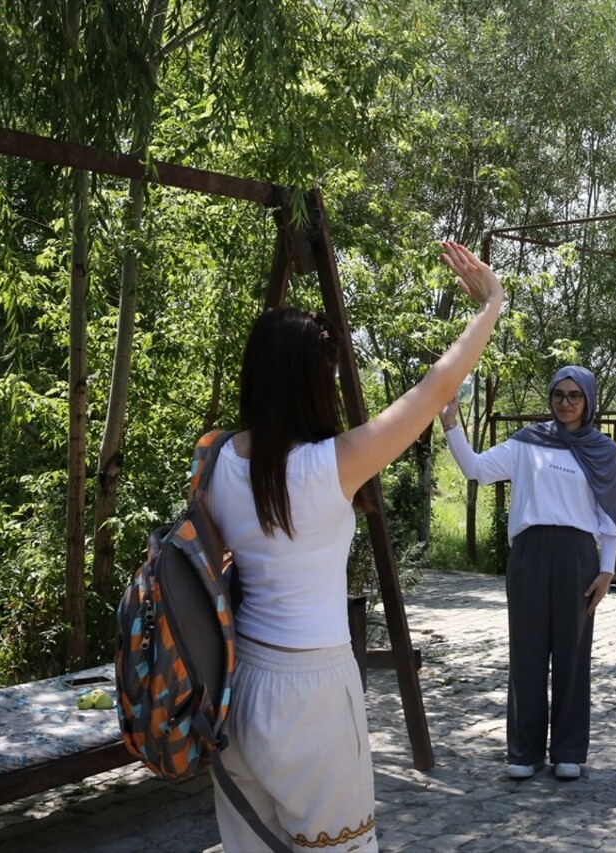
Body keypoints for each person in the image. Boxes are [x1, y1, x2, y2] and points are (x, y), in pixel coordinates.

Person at [205, 241, 503, 852]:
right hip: (312, 689)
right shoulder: (328, 467)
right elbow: (435, 387)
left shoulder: (212, 459)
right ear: (316, 383)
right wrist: (491, 303)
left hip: (237, 684)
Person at [438, 365, 616, 781]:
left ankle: (568, 750)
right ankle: (524, 751)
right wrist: (450, 424)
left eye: (575, 395)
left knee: (573, 656)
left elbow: (609, 516)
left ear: (589, 399)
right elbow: (476, 470)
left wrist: (607, 572)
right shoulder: (527, 443)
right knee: (527, 652)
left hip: (578, 556)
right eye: (559, 394)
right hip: (529, 554)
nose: (566, 403)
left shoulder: (601, 450)